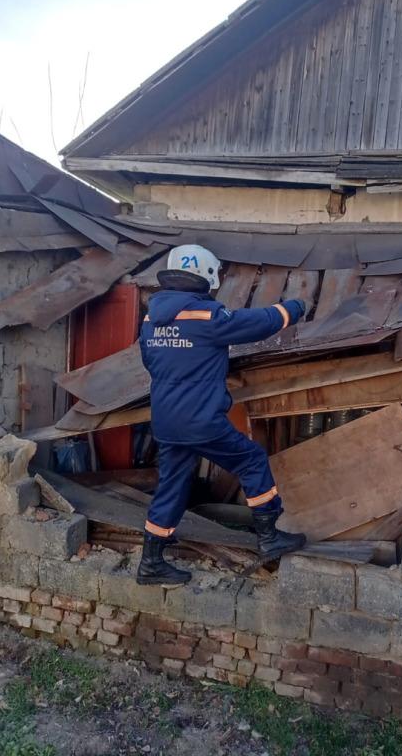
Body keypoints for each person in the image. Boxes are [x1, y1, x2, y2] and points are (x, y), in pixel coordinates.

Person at [137, 244, 309, 586]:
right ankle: (269, 536)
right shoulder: (206, 317)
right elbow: (260, 322)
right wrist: (296, 307)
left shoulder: (150, 320)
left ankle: (151, 562)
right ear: (205, 276)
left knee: (171, 484)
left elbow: (152, 364)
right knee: (251, 460)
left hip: (167, 421)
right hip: (201, 420)